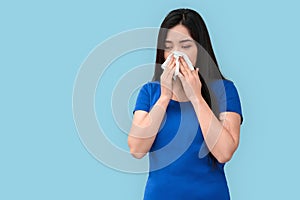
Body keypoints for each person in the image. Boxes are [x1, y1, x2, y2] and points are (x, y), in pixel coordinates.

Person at [128, 8, 243, 200]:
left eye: (185, 46)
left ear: (201, 48)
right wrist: (164, 97)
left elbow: (224, 152)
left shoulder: (224, 91)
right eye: (169, 47)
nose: (176, 55)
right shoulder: (149, 92)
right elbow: (136, 149)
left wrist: (196, 97)